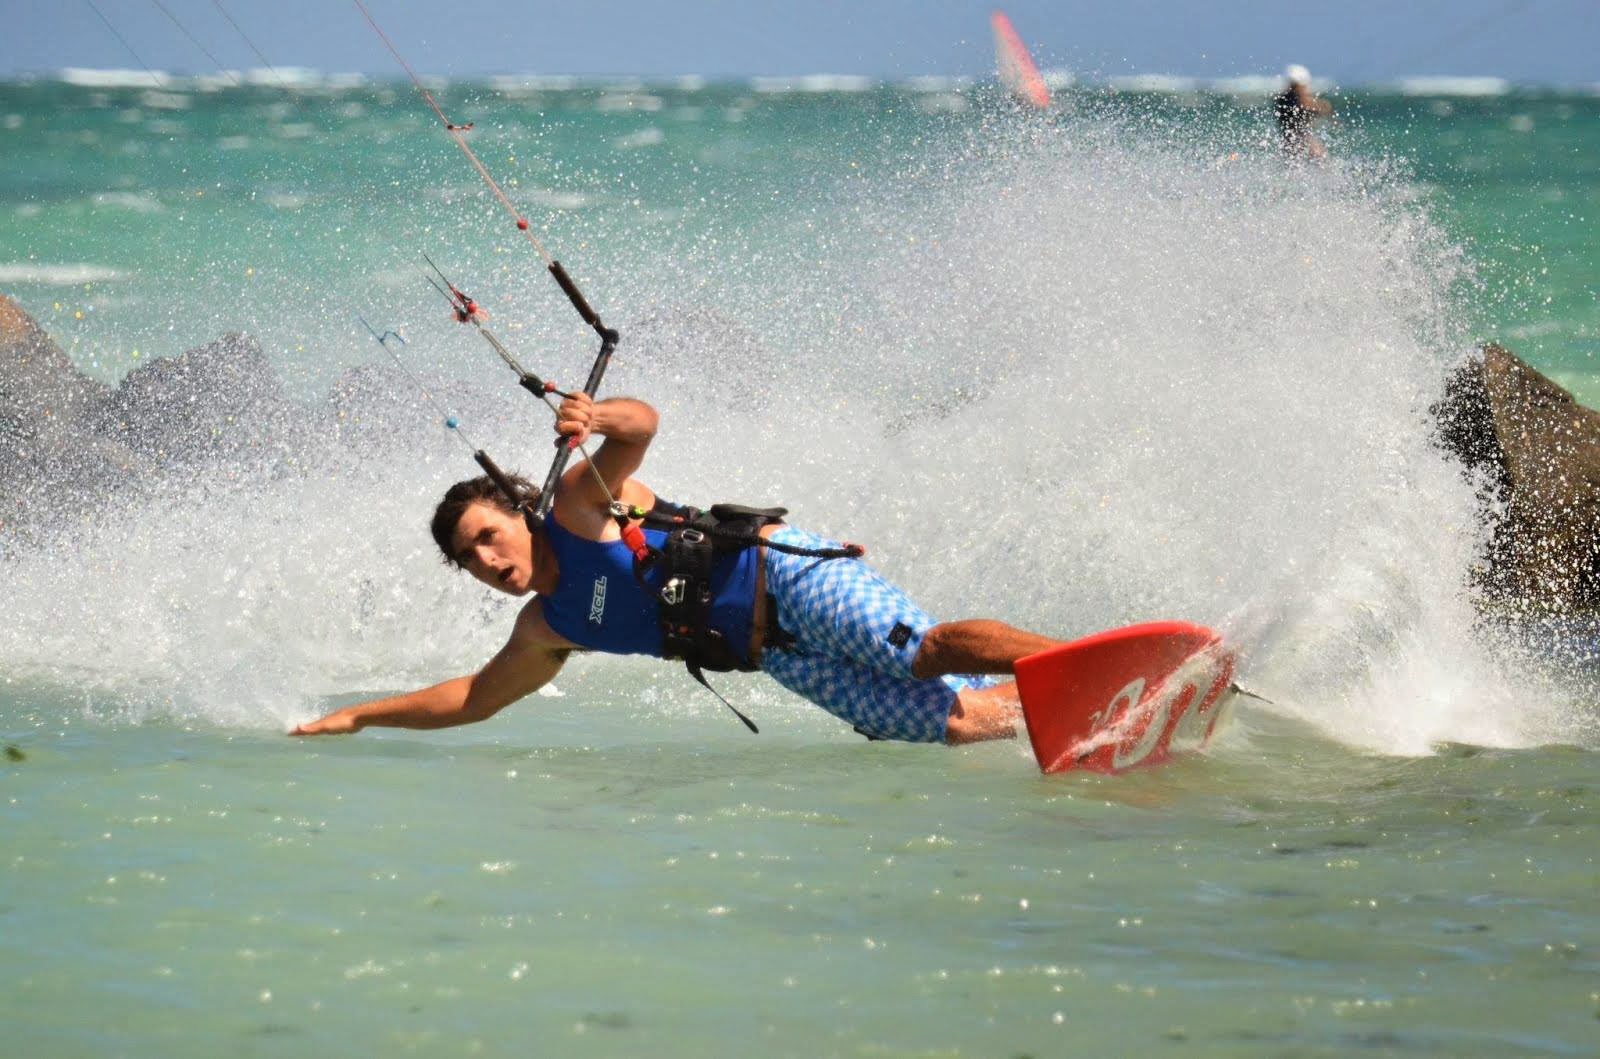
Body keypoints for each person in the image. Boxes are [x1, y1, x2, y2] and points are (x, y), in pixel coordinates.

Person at [291, 393, 1063, 745]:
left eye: (489, 536)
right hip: (774, 656)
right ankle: (1083, 708)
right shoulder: (548, 626)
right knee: (953, 720)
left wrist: (594, 418)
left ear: (516, 512)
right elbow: (472, 699)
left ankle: (1071, 662)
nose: (489, 561)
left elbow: (643, 426)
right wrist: (360, 714)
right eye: (470, 559)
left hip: (786, 578)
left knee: (924, 651)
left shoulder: (578, 506)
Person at [1273, 64, 1332, 161]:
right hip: (1302, 141)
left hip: (1288, 143)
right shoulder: (1298, 99)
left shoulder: (1282, 100)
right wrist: (1324, 106)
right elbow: (1303, 103)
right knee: (1320, 157)